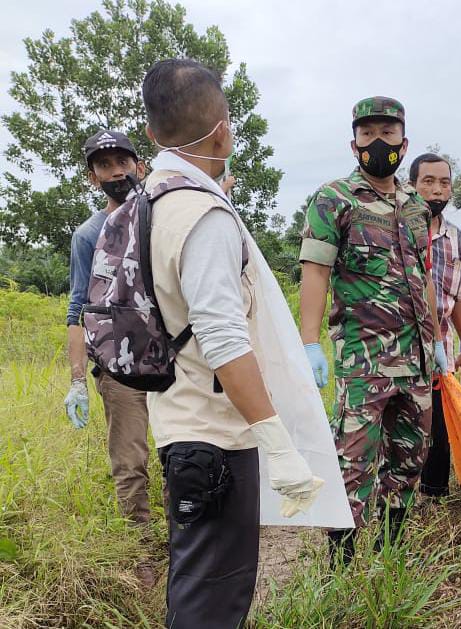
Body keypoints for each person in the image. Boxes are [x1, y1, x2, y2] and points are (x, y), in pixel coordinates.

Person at [141, 59, 319, 628]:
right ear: (223, 129)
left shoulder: (149, 202)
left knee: (198, 588)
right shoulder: (203, 215)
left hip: (178, 421)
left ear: (151, 134)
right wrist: (280, 445)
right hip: (215, 436)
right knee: (214, 599)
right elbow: (222, 337)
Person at [298, 97, 447, 560]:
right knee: (354, 461)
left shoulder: (416, 206)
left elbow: (423, 277)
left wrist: (439, 340)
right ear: (353, 142)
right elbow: (315, 271)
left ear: (405, 141)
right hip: (365, 361)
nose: (378, 142)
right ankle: (340, 563)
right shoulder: (333, 200)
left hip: (417, 359)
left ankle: (389, 552)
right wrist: (309, 342)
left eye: (388, 132)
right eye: (368, 134)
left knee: (409, 460)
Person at [64, 129, 155, 586]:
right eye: (104, 165)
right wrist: (78, 379)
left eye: (123, 161)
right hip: (118, 366)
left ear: (140, 164)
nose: (116, 171)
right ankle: (142, 556)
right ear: (92, 176)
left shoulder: (161, 213)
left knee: (188, 453)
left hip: (173, 360)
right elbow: (77, 308)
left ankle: (194, 543)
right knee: (129, 462)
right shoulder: (88, 235)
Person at [410, 153, 461, 499]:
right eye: (428, 182)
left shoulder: (456, 238)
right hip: (403, 351)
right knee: (406, 428)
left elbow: (460, 296)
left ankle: (432, 498)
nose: (437, 190)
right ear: (412, 185)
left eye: (444, 182)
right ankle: (394, 499)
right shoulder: (400, 230)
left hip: (443, 352)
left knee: (439, 428)